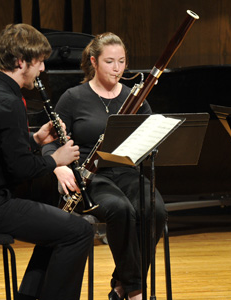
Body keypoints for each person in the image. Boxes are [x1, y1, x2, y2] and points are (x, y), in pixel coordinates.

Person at [0, 23, 93, 300]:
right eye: (39, 62)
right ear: (20, 62)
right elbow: (20, 170)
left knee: (59, 228)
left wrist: (36, 141)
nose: (42, 69)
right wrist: (56, 160)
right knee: (79, 231)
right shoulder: (9, 102)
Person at [43, 32, 168, 300]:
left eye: (122, 61)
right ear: (93, 61)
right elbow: (50, 141)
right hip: (88, 175)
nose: (117, 68)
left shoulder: (135, 98)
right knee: (120, 209)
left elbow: (151, 137)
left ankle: (120, 284)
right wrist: (58, 167)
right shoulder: (73, 97)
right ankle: (134, 292)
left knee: (154, 210)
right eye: (110, 61)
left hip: (125, 170)